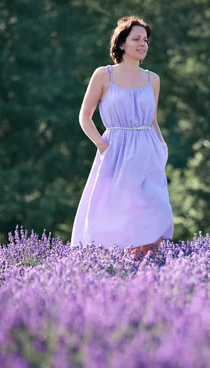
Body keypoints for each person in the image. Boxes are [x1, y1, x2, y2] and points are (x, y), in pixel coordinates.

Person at [70, 16, 173, 260]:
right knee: (119, 213)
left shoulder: (153, 79)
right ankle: (123, 270)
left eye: (145, 40)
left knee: (158, 211)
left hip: (148, 152)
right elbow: (85, 116)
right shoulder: (103, 74)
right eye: (136, 39)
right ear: (121, 44)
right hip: (116, 152)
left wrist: (162, 147)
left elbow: (152, 120)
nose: (143, 44)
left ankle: (149, 268)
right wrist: (102, 146)